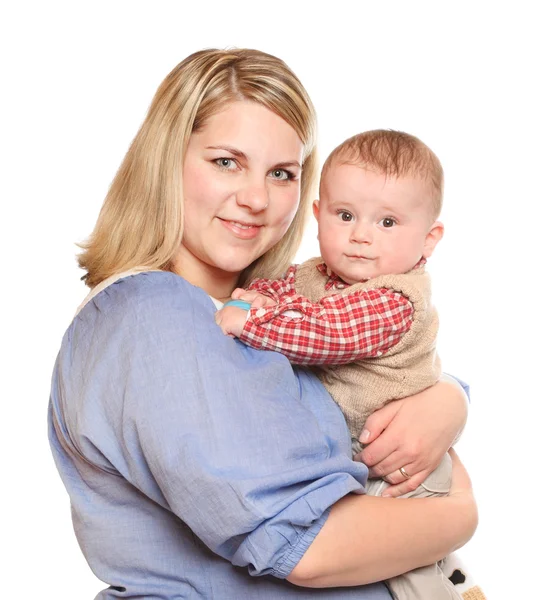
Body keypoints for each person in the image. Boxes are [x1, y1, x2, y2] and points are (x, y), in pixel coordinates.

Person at [48, 48, 476, 600]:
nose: (255, 199)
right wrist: (462, 512)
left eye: (281, 173)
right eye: (226, 161)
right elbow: (309, 549)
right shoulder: (155, 314)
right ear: (166, 159)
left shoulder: (261, 310)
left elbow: (364, 389)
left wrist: (448, 397)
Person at [215, 129, 485, 599]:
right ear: (318, 215)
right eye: (345, 215)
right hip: (367, 462)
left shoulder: (392, 300)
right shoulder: (319, 272)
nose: (360, 236)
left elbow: (326, 335)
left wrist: (250, 325)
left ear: (429, 238)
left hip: (402, 468)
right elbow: (287, 289)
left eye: (387, 223)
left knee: (414, 580)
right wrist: (258, 297)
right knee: (417, 564)